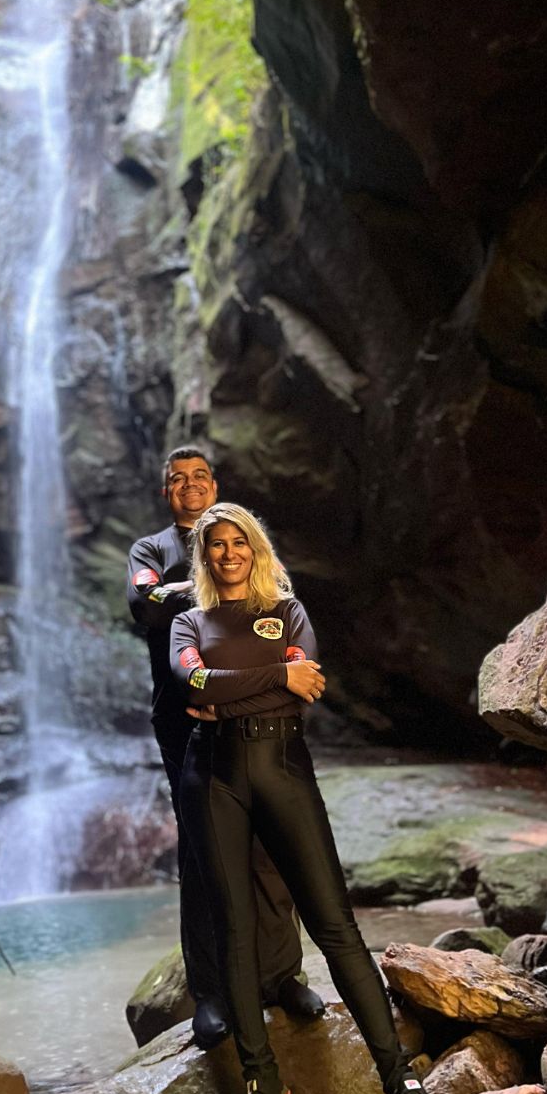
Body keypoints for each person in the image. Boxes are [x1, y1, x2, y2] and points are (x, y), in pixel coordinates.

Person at [172, 503, 452, 1094]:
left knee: (335, 926)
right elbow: (190, 677)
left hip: (283, 769)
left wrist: (228, 693)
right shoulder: (189, 621)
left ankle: (401, 1088)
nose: (227, 553)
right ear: (205, 556)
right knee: (236, 932)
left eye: (237, 542)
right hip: (214, 778)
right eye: (215, 545)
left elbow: (307, 684)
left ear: (256, 548)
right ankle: (259, 1083)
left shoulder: (288, 612)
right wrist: (274, 676)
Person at [127, 448, 324, 1050]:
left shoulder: (243, 544)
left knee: (270, 845)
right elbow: (144, 601)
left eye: (200, 476)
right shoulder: (151, 552)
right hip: (186, 720)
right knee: (202, 853)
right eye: (177, 479)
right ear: (167, 493)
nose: (190, 486)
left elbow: (282, 615)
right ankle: (210, 989)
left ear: (217, 485)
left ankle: (283, 976)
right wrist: (201, 587)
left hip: (259, 718)